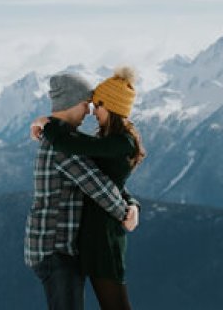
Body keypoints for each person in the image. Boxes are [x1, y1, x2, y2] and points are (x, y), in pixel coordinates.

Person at [24, 72, 139, 310]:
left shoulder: (65, 140)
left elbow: (104, 175)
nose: (89, 111)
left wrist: (132, 203)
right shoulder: (63, 147)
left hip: (58, 247)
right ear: (72, 103)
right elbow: (99, 187)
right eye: (87, 104)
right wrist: (125, 212)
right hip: (55, 249)